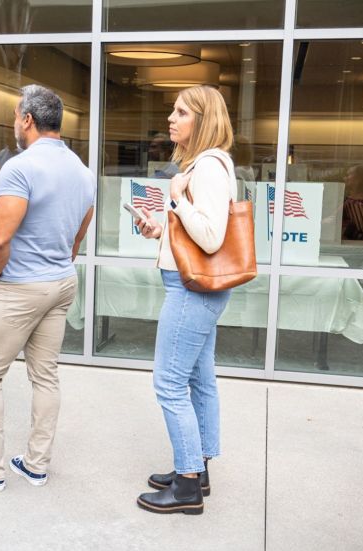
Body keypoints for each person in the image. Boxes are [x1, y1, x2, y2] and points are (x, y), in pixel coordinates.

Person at [0, 84, 95, 492]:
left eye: (15, 116)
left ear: (27, 120)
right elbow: (79, 235)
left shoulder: (20, 167)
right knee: (45, 376)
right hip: (61, 282)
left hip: (20, 286)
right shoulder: (83, 171)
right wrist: (58, 262)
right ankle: (35, 464)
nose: (14, 122)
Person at [133, 85, 236, 515]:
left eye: (181, 112)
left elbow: (211, 236)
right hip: (197, 286)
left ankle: (188, 483)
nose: (171, 119)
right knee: (198, 379)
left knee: (169, 383)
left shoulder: (208, 166)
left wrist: (176, 198)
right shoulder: (204, 165)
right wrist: (162, 228)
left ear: (203, 120)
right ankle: (199, 468)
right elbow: (199, 231)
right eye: (172, 111)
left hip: (192, 288)